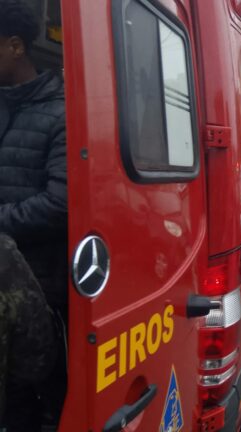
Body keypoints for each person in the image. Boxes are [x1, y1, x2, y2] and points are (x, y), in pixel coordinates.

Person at [0, 0, 68, 428]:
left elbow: (60, 204)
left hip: (33, 293)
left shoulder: (60, 112)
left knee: (21, 404)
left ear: (15, 47)